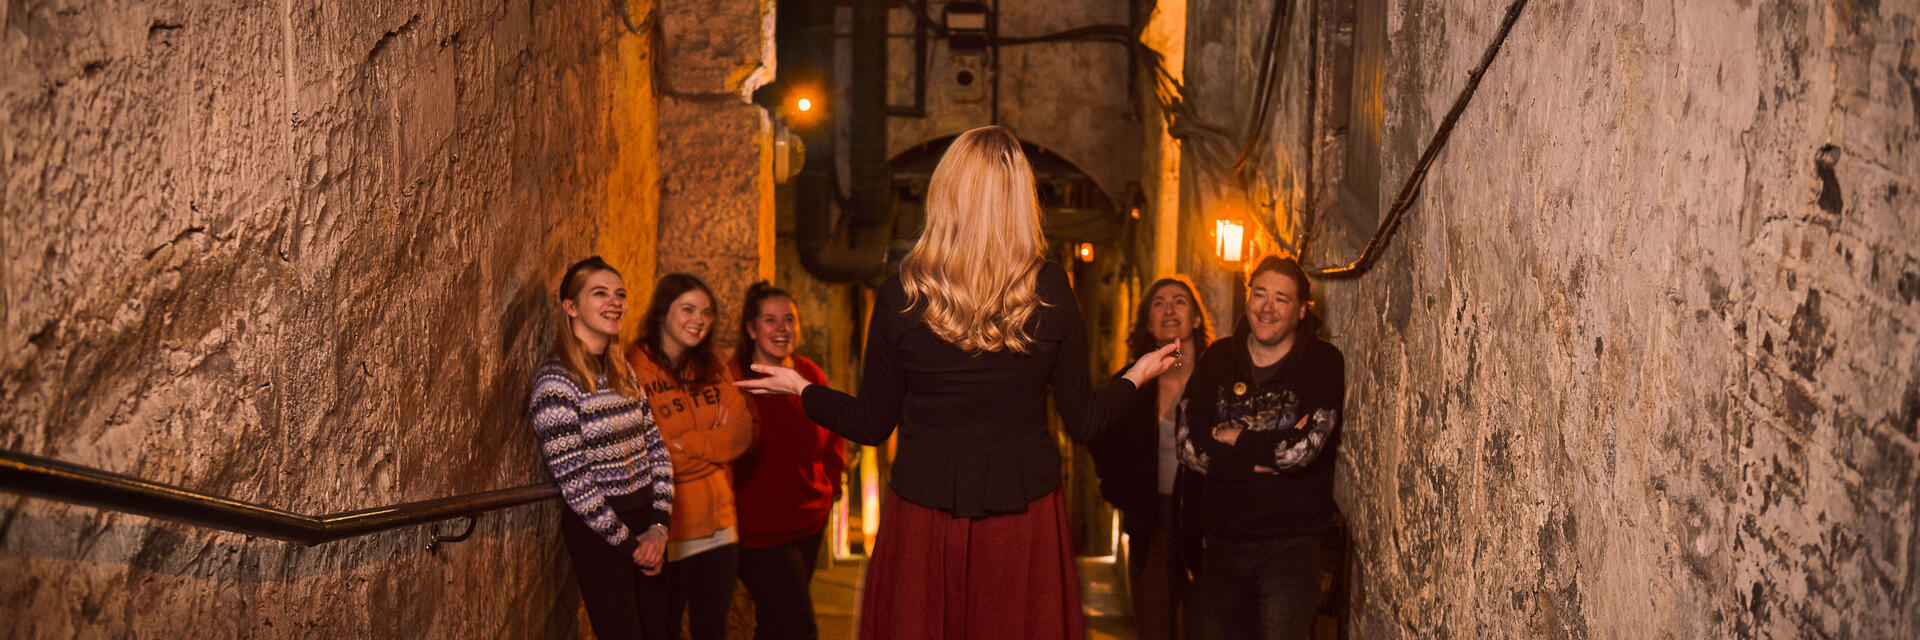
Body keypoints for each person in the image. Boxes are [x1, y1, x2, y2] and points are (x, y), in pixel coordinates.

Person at [737, 125, 1182, 640]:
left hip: (923, 513)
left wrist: (800, 387)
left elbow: (870, 423)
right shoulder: (1051, 287)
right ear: (1020, 200)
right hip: (1024, 512)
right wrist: (1138, 373)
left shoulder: (900, 292)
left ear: (945, 193)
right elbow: (1085, 421)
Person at [1176, 255, 1345, 640]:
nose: (1267, 308)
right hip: (1220, 544)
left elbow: (1304, 450)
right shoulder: (1217, 359)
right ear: (1248, 298)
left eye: (1282, 299)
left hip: (1290, 547)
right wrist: (1258, 463)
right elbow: (1188, 446)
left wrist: (1235, 437)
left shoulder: (1323, 363)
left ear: (1302, 310)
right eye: (1260, 294)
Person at [527, 256, 675, 639]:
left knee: (661, 631)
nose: (615, 302)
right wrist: (631, 546)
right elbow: (575, 483)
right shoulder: (556, 385)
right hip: (601, 536)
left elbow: (656, 448)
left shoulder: (622, 372)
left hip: (649, 529)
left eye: (620, 294)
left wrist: (659, 528)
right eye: (600, 293)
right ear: (571, 307)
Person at [626, 273, 756, 640]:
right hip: (668, 530)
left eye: (707, 312)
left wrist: (689, 445)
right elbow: (652, 452)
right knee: (662, 631)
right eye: (688, 309)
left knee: (712, 632)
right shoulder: (635, 366)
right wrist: (711, 448)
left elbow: (740, 431)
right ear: (663, 312)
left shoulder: (714, 364)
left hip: (720, 528)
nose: (698, 319)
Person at [1089, 276, 1214, 640]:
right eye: (1158, 303)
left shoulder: (1215, 378)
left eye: (1179, 301)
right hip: (1151, 528)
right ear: (1148, 322)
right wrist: (1122, 495)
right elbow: (1100, 436)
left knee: (1203, 628)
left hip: (1204, 531)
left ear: (1195, 319)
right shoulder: (1131, 383)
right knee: (1154, 627)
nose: (1169, 309)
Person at [728, 281, 847, 640]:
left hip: (810, 523)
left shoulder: (808, 374)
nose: (782, 328)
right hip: (760, 535)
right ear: (751, 329)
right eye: (770, 320)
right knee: (799, 630)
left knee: (774, 625)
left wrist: (831, 487)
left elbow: (832, 435)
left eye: (789, 319)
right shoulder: (734, 380)